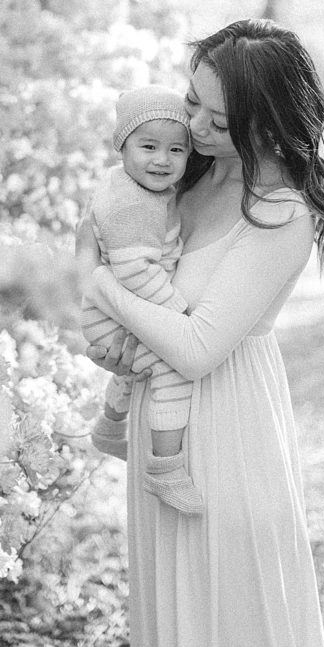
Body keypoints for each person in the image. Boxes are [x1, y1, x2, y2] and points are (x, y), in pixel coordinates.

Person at [78, 18, 324, 647]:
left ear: (266, 123)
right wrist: (103, 328)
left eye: (215, 119)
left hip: (227, 429)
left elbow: (197, 347)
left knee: (235, 622)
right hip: (158, 420)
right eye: (191, 100)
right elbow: (108, 233)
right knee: (173, 620)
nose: (192, 125)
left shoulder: (282, 212)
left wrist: (103, 290)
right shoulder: (190, 173)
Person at [82, 85, 203, 515]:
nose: (162, 160)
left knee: (138, 367)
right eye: (148, 146)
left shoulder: (138, 189)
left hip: (111, 307)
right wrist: (178, 313)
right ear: (122, 147)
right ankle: (165, 468)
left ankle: (111, 427)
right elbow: (134, 272)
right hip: (110, 310)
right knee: (171, 370)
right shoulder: (131, 203)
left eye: (176, 149)